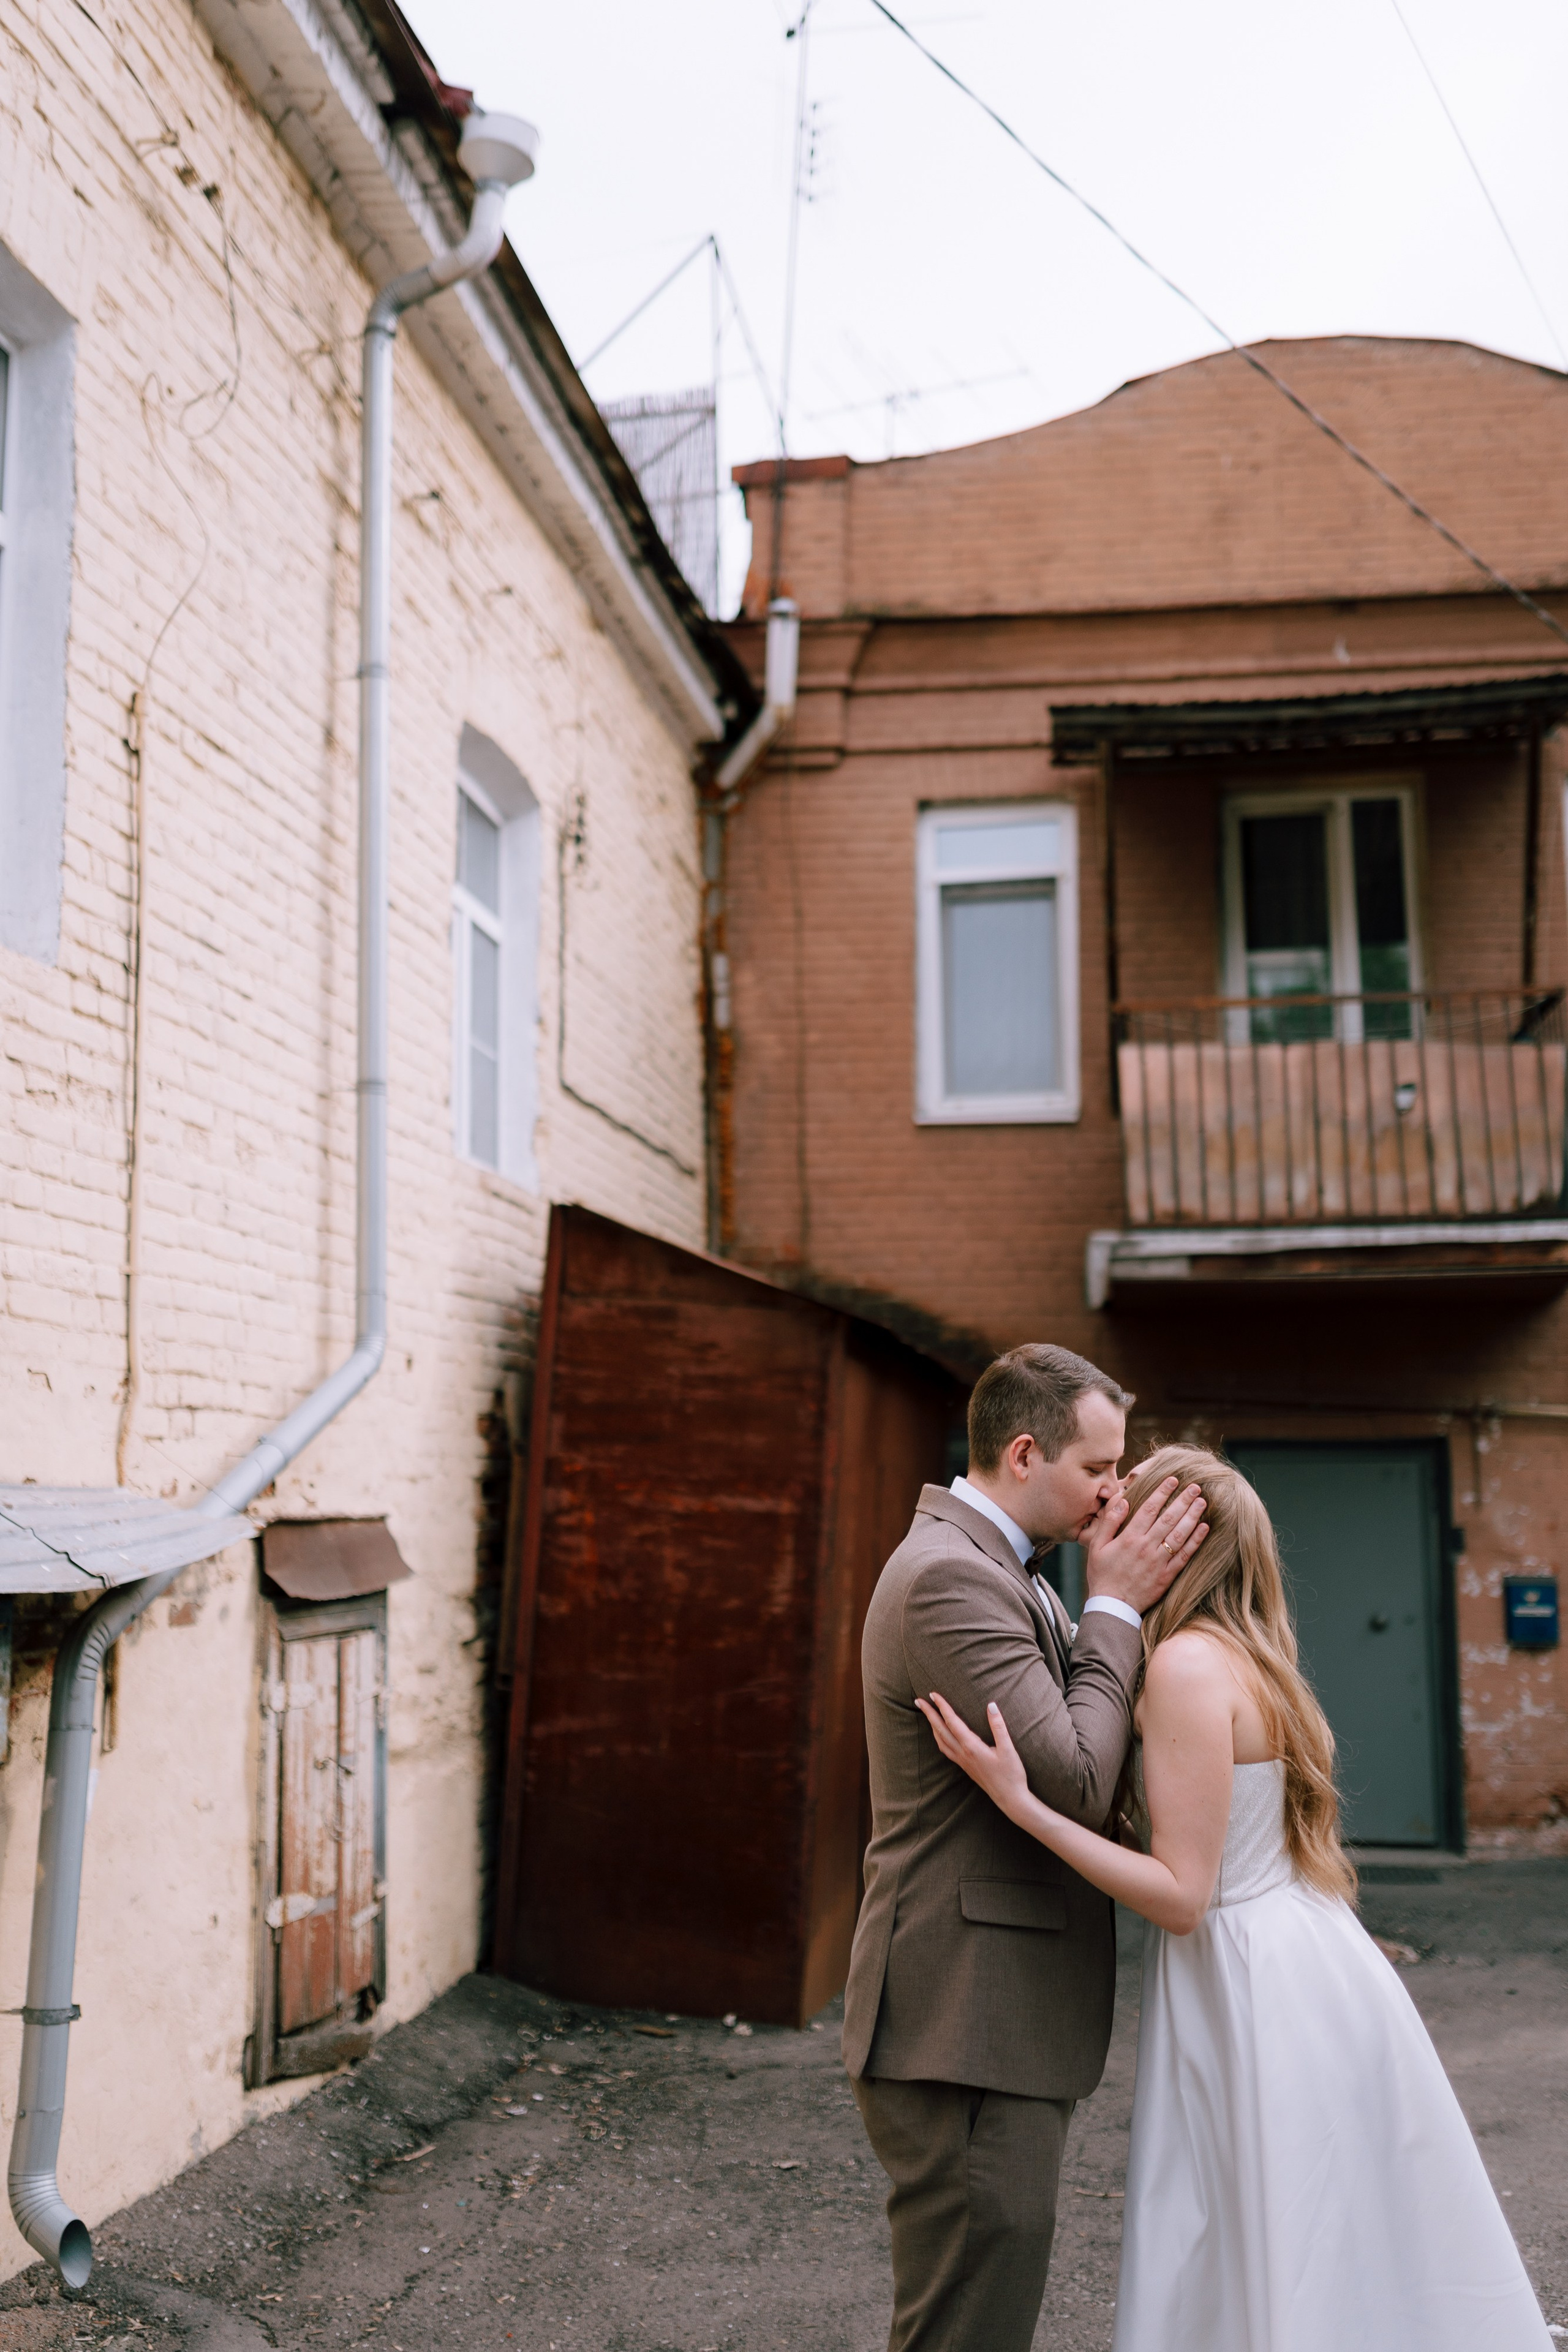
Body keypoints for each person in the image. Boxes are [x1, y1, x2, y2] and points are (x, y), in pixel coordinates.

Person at [919, 1442, 1553, 2352]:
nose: (1104, 1521)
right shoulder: (1244, 1655)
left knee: (1258, 2224)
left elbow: (1183, 1895)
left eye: (1123, 1512)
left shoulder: (1183, 1669)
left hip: (1256, 1982)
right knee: (1323, 2231)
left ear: (1176, 1543)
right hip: (1305, 1960)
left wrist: (1027, 1808)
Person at [843, 1344, 1210, 2352]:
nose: (1115, 1490)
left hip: (992, 2019)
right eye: (1098, 1468)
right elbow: (1078, 1782)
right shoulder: (948, 1581)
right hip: (961, 2021)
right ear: (1022, 1454)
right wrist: (1118, 1605)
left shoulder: (1004, 1568)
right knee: (967, 2325)